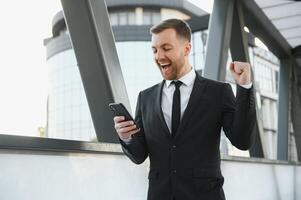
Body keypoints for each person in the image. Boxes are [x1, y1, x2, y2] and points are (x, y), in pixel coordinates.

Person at [113, 19, 256, 200]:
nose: (159, 56)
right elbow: (139, 155)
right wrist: (127, 137)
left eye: (166, 48)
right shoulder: (145, 98)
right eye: (154, 50)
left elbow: (242, 141)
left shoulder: (218, 92)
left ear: (187, 49)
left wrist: (244, 88)